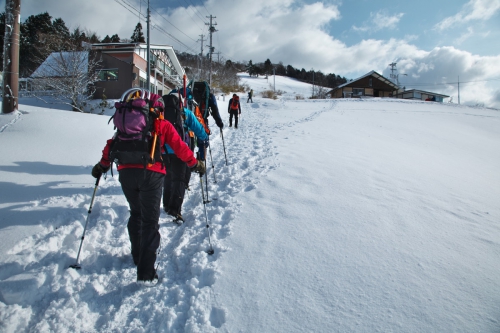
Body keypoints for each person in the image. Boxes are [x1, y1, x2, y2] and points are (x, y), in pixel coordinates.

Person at [91, 89, 205, 285]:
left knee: (136, 213)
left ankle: (137, 256)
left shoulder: (126, 125)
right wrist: (194, 164)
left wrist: (102, 165)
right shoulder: (160, 123)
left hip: (126, 173)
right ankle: (146, 272)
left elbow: (112, 144)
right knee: (150, 221)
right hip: (151, 174)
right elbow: (180, 147)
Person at [162, 93, 208, 223]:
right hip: (180, 150)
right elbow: (198, 129)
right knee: (179, 179)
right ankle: (174, 209)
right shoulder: (184, 113)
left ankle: (166, 204)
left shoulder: (160, 113)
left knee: (168, 177)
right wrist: (204, 138)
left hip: (163, 151)